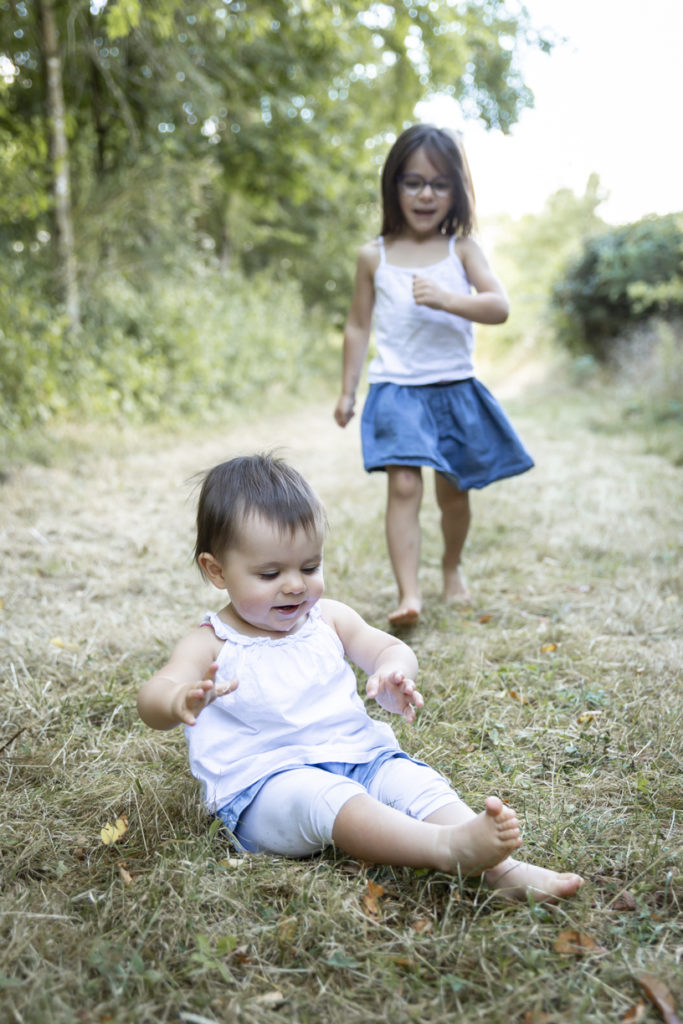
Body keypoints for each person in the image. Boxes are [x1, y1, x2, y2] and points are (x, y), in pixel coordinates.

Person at [137, 453, 583, 902]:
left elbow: (389, 648)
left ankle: (504, 871)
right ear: (216, 571)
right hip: (266, 787)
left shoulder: (327, 618)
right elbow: (153, 696)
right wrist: (178, 701)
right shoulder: (211, 642)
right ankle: (446, 849)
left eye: (310, 567)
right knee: (323, 796)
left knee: (410, 780)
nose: (295, 585)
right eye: (270, 573)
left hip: (357, 757)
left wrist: (394, 672)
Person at [334, 124, 534, 626]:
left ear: (456, 192)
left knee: (453, 491)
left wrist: (448, 298)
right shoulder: (372, 255)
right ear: (393, 187)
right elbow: (358, 326)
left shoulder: (462, 250)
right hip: (397, 389)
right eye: (413, 182)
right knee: (403, 486)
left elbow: (498, 306)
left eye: (440, 184)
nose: (426, 194)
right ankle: (409, 594)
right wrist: (347, 390)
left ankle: (451, 565)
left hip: (452, 387)